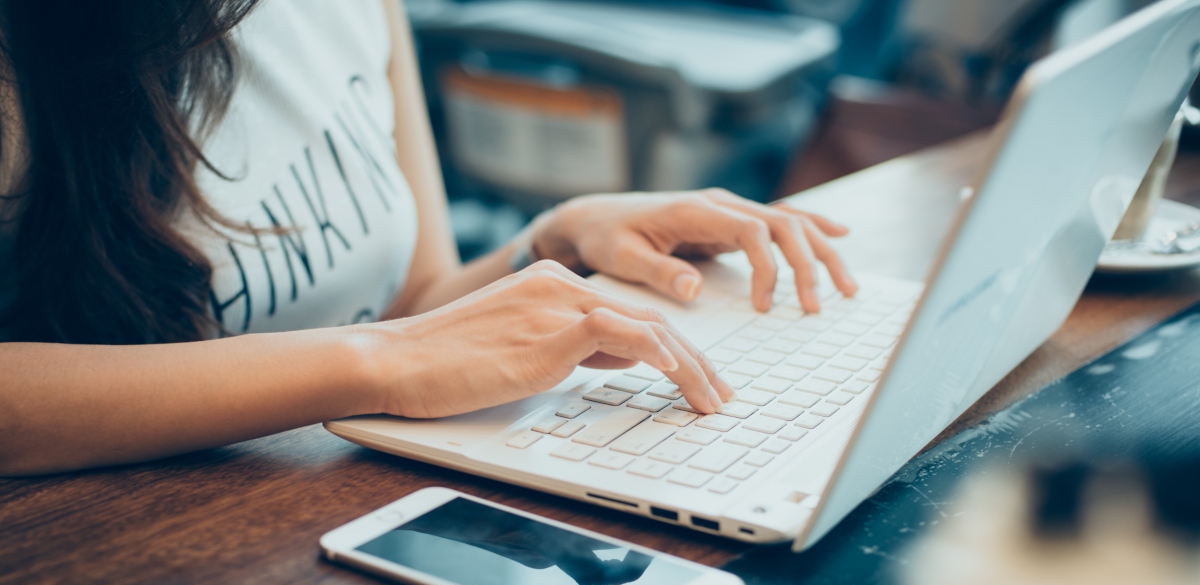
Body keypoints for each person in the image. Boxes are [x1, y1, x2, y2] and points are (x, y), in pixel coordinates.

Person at [0, 0, 856, 476]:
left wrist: (554, 247)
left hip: (334, 504)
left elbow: (414, 303)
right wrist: (379, 361)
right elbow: (398, 344)